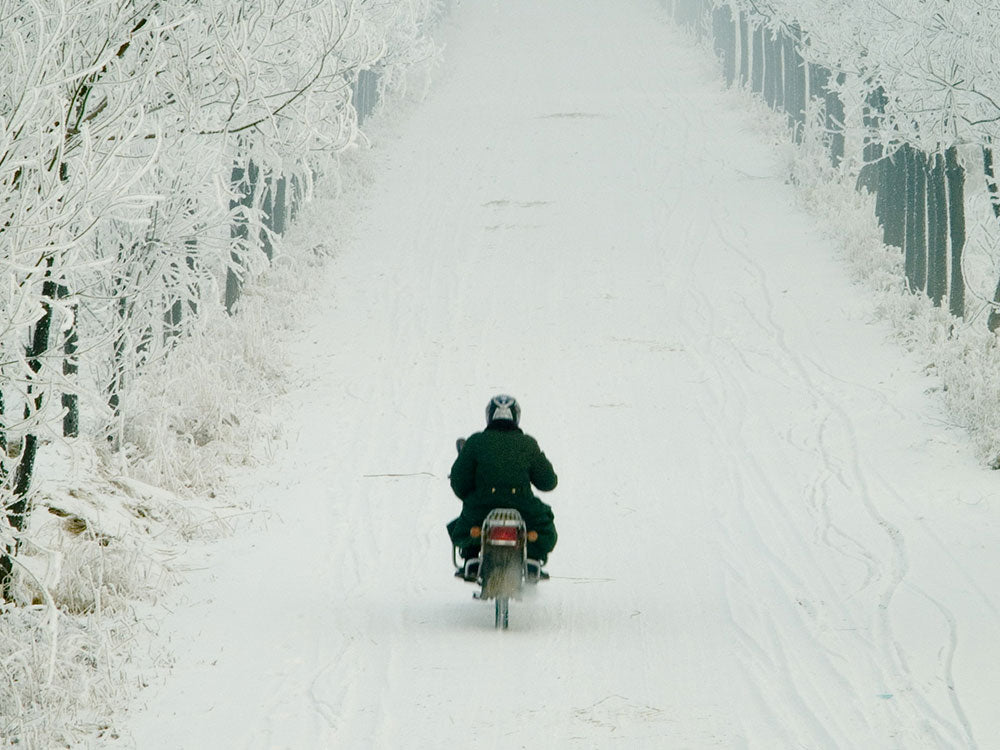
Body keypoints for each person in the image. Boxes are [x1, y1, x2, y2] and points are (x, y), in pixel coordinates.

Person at [447, 394, 558, 566]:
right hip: (523, 508)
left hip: (482, 507)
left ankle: (471, 556)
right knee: (544, 528)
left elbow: (459, 483)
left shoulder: (475, 441)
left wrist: (472, 497)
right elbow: (548, 482)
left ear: (489, 415)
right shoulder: (528, 444)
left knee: (464, 529)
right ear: (516, 416)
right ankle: (533, 559)